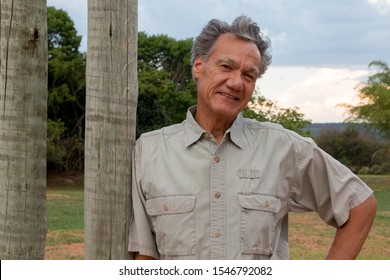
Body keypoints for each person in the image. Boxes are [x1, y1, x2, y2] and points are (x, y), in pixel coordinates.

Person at [128, 15, 377, 260]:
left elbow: (360, 204)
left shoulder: (284, 148)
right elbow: (145, 255)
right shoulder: (150, 151)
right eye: (226, 67)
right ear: (198, 66)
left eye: (249, 75)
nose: (237, 83)